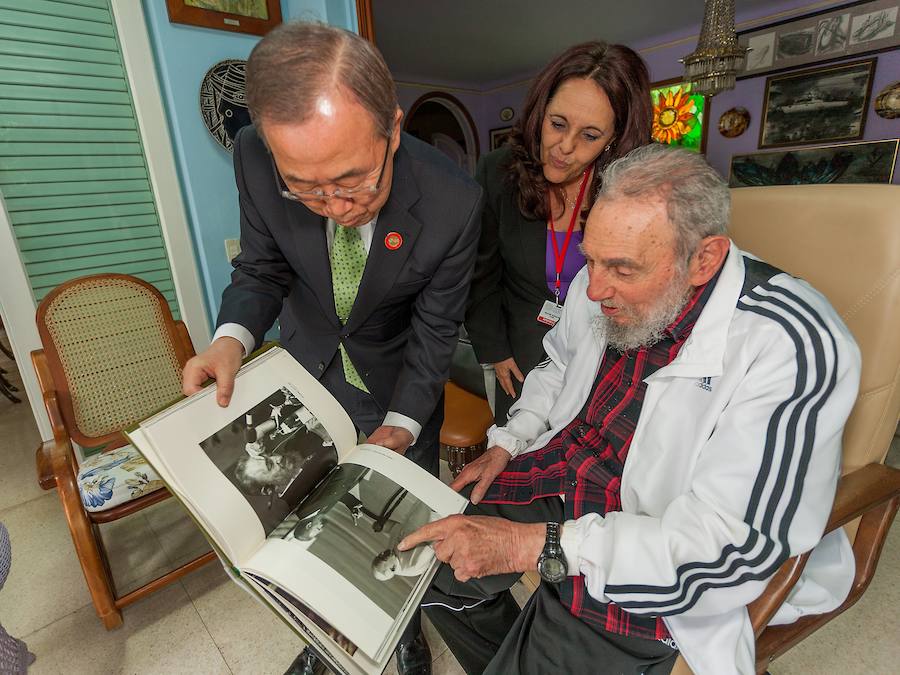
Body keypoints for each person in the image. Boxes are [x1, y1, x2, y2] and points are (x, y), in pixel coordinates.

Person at [400, 145, 861, 675]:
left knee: (553, 622)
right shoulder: (599, 282)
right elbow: (556, 366)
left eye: (621, 268)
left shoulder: (788, 341)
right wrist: (510, 440)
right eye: (590, 258)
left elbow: (730, 551)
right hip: (572, 467)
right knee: (429, 566)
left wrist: (539, 547)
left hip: (660, 530)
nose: (594, 288)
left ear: (703, 259)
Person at [181, 22, 484, 675]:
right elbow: (261, 268)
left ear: (393, 130)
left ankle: (399, 634)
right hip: (304, 373)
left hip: (401, 384)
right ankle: (324, 636)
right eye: (305, 187)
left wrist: (403, 425)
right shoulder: (253, 156)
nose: (333, 206)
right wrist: (231, 339)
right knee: (303, 527)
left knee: (392, 532)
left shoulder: (454, 200)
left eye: (352, 180)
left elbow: (436, 329)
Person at [465, 42, 652, 425]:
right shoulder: (498, 172)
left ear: (614, 138)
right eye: (558, 124)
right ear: (540, 112)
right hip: (518, 356)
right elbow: (480, 274)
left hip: (604, 356)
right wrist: (495, 350)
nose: (564, 148)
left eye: (590, 136)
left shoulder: (632, 188)